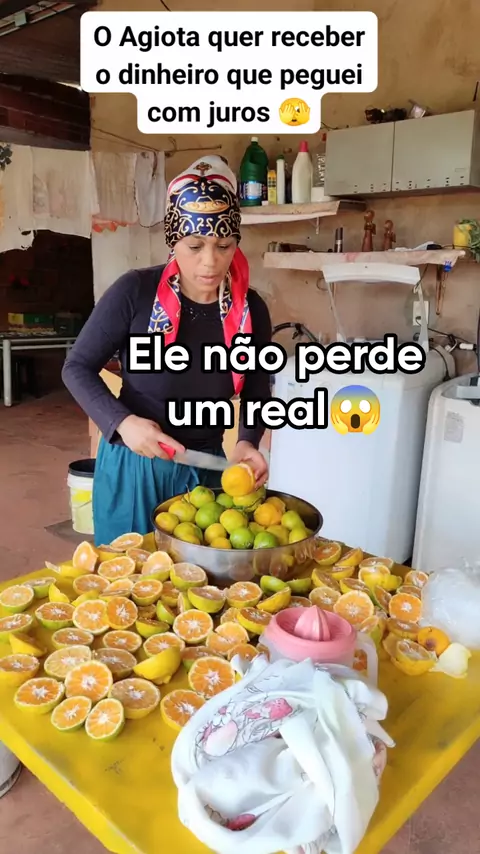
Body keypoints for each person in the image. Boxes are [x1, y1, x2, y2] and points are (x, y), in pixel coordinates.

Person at [62, 155, 272, 546]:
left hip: (208, 468)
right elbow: (77, 367)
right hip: (137, 464)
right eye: (195, 246)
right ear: (174, 240)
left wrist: (247, 440)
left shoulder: (249, 309)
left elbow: (258, 385)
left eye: (223, 245)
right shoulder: (135, 292)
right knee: (131, 571)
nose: (210, 262)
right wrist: (123, 423)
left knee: (203, 575)